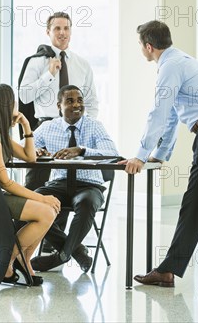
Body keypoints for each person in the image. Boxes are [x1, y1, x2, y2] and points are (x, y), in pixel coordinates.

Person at [121, 20, 198, 290]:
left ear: (148, 47)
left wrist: (140, 155)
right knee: (193, 204)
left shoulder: (170, 67)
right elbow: (173, 116)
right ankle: (168, 269)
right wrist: (160, 154)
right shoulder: (177, 62)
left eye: (140, 45)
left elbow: (159, 113)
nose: (141, 49)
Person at [0, 83, 60, 285]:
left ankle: (21, 260)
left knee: (47, 211)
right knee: (46, 211)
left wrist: (26, 126)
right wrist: (42, 197)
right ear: (5, 106)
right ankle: (8, 261)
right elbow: (4, 181)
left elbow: (30, 157)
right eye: (13, 103)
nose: (16, 107)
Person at [19, 12, 100, 251]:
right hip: (45, 128)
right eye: (57, 29)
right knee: (36, 188)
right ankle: (47, 242)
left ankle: (51, 247)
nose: (62, 33)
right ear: (48, 32)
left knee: (67, 183)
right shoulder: (36, 62)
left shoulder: (82, 64)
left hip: (75, 132)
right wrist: (49, 74)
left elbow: (92, 101)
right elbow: (24, 95)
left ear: (71, 31)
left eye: (66, 28)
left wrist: (84, 128)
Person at [29, 85, 119, 273]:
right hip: (58, 184)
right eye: (70, 101)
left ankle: (61, 256)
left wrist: (82, 150)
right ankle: (76, 250)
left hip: (89, 185)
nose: (77, 104)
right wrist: (35, 151)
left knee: (86, 202)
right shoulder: (48, 127)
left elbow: (113, 154)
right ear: (58, 106)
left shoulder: (94, 126)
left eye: (80, 100)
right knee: (32, 202)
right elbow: (25, 147)